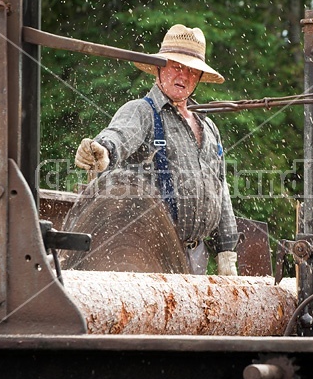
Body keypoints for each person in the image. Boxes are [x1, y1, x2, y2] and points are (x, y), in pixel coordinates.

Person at [75, 24, 238, 275]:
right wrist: (103, 150)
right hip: (149, 251)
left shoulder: (209, 127)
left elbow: (221, 188)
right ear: (159, 68)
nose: (183, 76)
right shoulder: (143, 111)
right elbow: (120, 134)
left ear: (199, 78)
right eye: (177, 67)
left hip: (197, 254)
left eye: (192, 71)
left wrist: (227, 250)